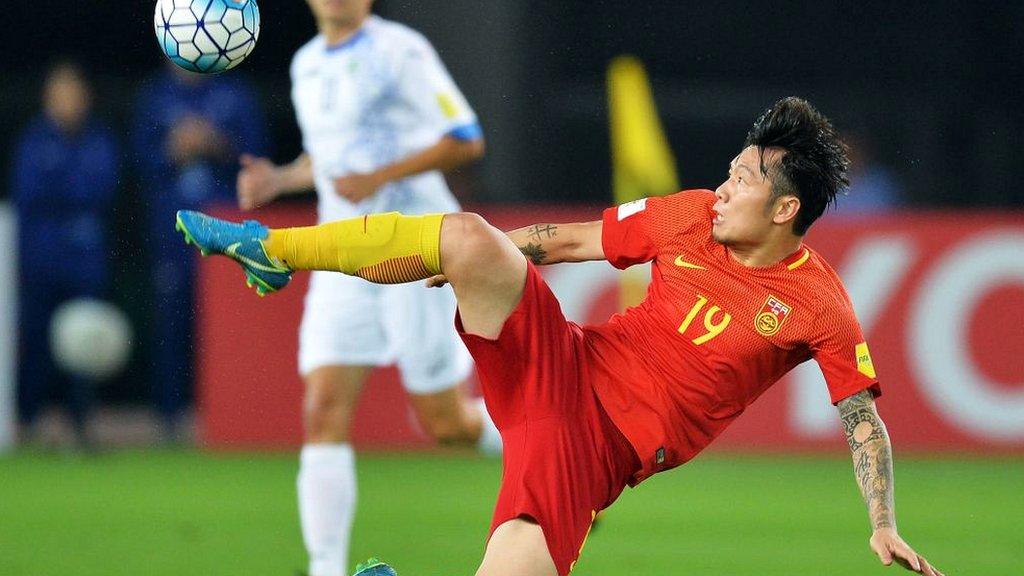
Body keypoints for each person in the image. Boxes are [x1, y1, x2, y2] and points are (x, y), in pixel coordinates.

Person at [176, 97, 943, 576]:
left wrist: (883, 523)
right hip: (563, 362)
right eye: (733, 169)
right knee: (472, 236)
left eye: (744, 180)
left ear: (784, 212)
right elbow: (573, 242)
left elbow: (861, 418)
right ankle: (271, 250)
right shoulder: (689, 216)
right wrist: (485, 260)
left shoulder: (819, 303)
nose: (725, 186)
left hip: (592, 452)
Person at [230, 1, 499, 575]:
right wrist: (280, 178)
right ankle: (324, 569)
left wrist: (380, 177)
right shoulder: (305, 65)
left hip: (416, 250)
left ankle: (554, 444)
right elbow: (328, 159)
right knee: (323, 408)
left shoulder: (400, 50)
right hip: (343, 258)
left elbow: (466, 137)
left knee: (445, 425)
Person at [132, 62, 267, 438]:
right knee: (171, 325)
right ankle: (169, 421)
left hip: (226, 231)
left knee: (228, 328)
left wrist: (217, 144)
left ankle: (231, 417)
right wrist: (171, 150)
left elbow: (259, 159)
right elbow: (138, 160)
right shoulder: (156, 96)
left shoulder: (234, 94)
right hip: (171, 230)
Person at [11, 61, 120, 448]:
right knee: (37, 344)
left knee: (85, 345)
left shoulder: (99, 139)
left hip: (85, 259)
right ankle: (28, 423)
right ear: (47, 98)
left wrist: (62, 188)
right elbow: (29, 194)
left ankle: (81, 428)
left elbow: (103, 188)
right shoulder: (34, 140)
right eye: (61, 93)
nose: (68, 101)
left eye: (74, 92)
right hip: (42, 258)